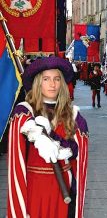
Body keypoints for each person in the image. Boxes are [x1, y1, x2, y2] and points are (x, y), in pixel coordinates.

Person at [7, 56, 89, 218]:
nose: (52, 84)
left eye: (57, 79)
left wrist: (53, 138)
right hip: (34, 186)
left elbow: (77, 151)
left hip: (63, 186)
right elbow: (17, 155)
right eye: (46, 79)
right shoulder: (24, 112)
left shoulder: (73, 114)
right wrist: (35, 130)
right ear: (38, 82)